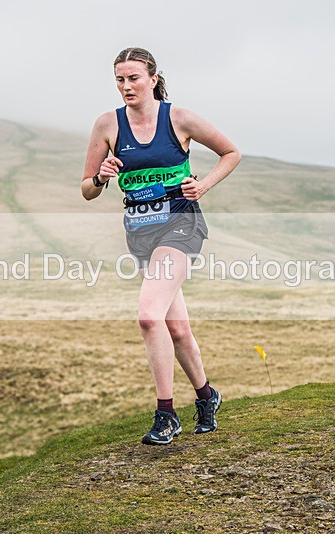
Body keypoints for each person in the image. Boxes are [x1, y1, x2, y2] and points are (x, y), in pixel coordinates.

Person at [81, 47, 241, 445]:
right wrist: (101, 177)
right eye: (119, 79)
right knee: (177, 328)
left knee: (149, 317)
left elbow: (231, 152)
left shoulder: (179, 118)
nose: (126, 86)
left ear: (153, 79)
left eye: (133, 78)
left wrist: (203, 185)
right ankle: (207, 397)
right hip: (140, 234)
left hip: (181, 225)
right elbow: (86, 190)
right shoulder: (107, 125)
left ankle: (166, 414)